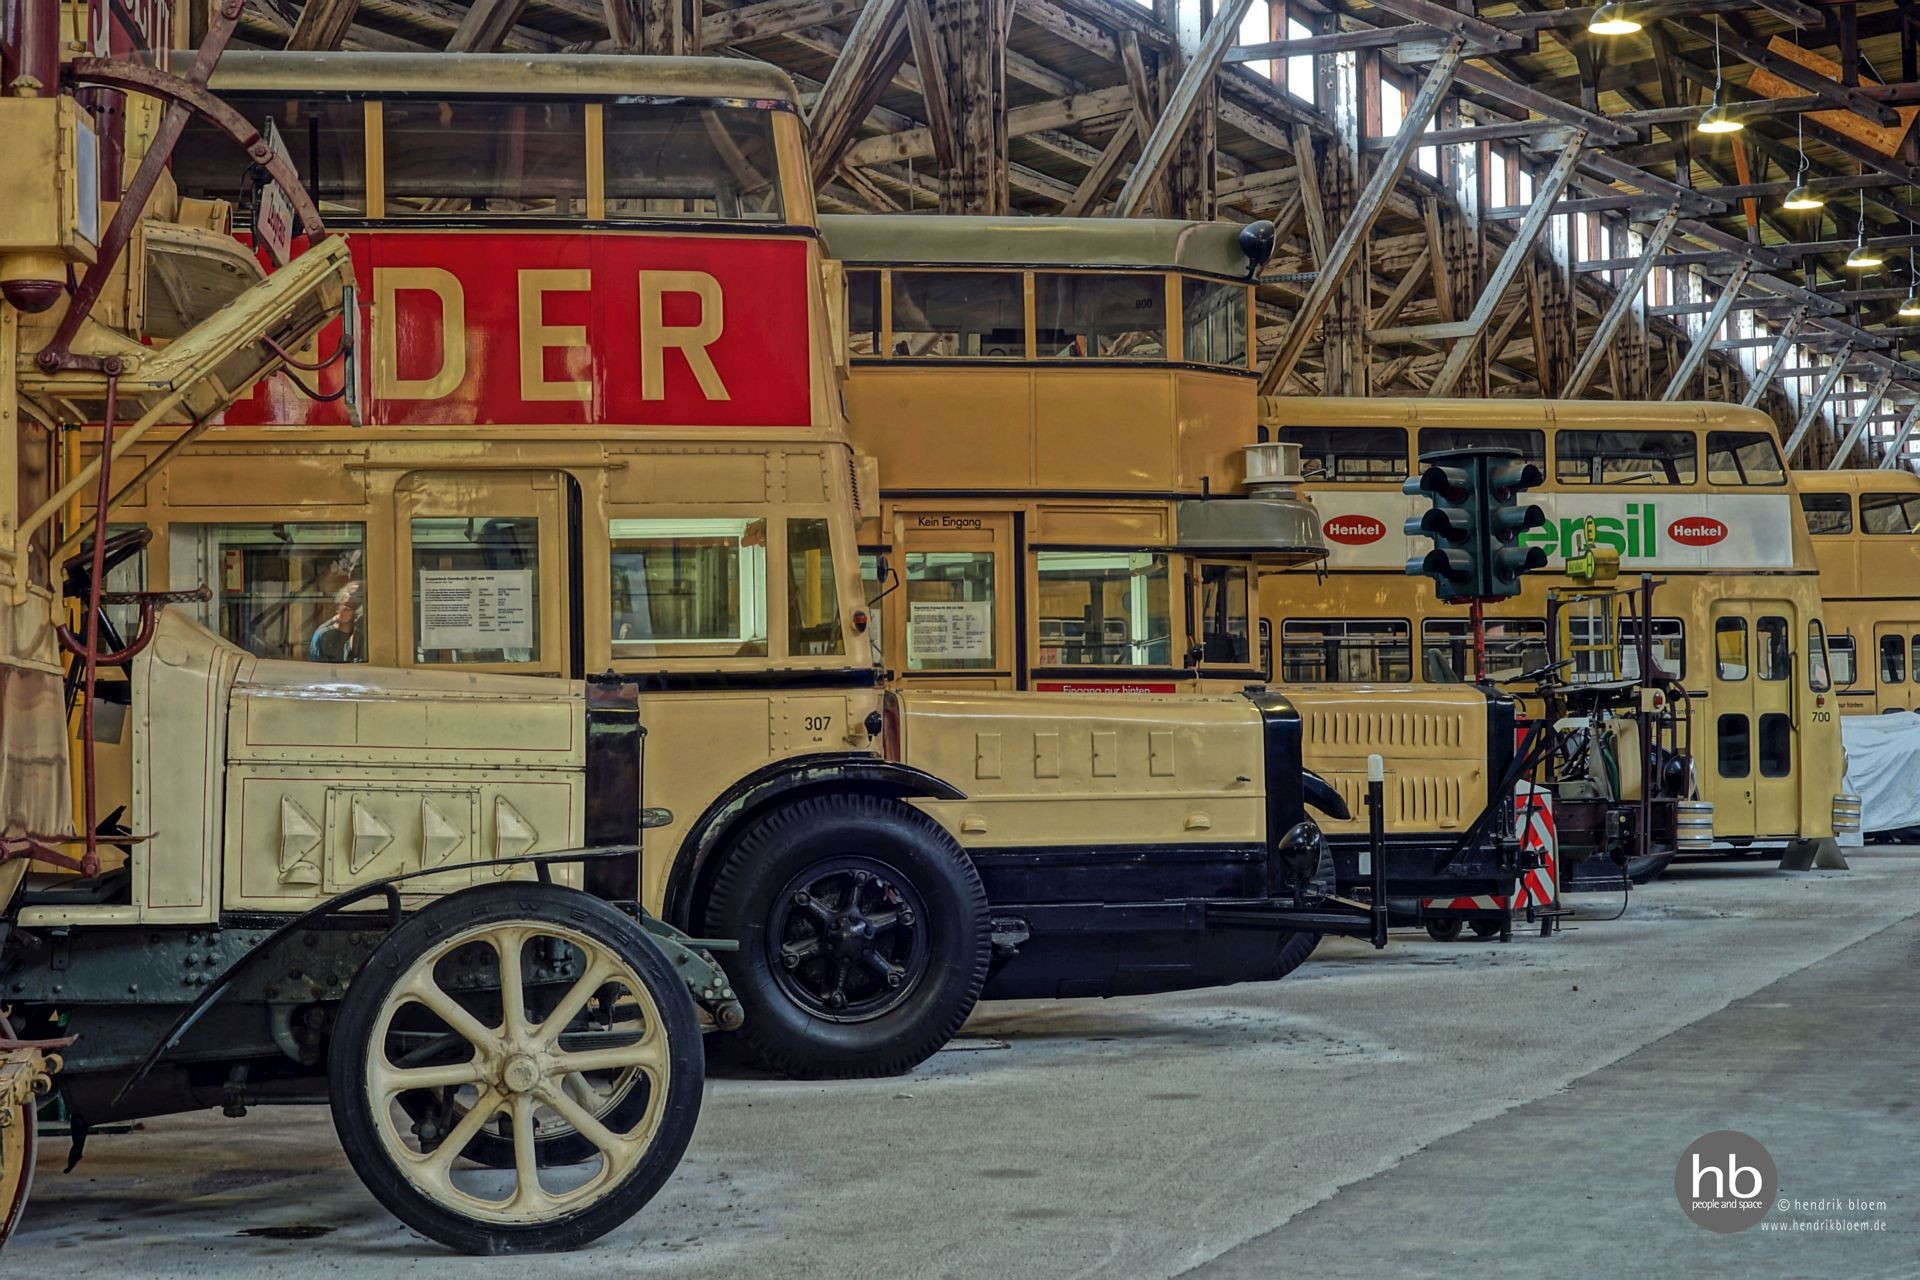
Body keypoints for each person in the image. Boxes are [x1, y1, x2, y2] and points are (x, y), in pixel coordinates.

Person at [309, 582, 363, 662]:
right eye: (346, 605)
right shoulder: (324, 635)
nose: (347, 609)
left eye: (354, 606)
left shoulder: (360, 634)